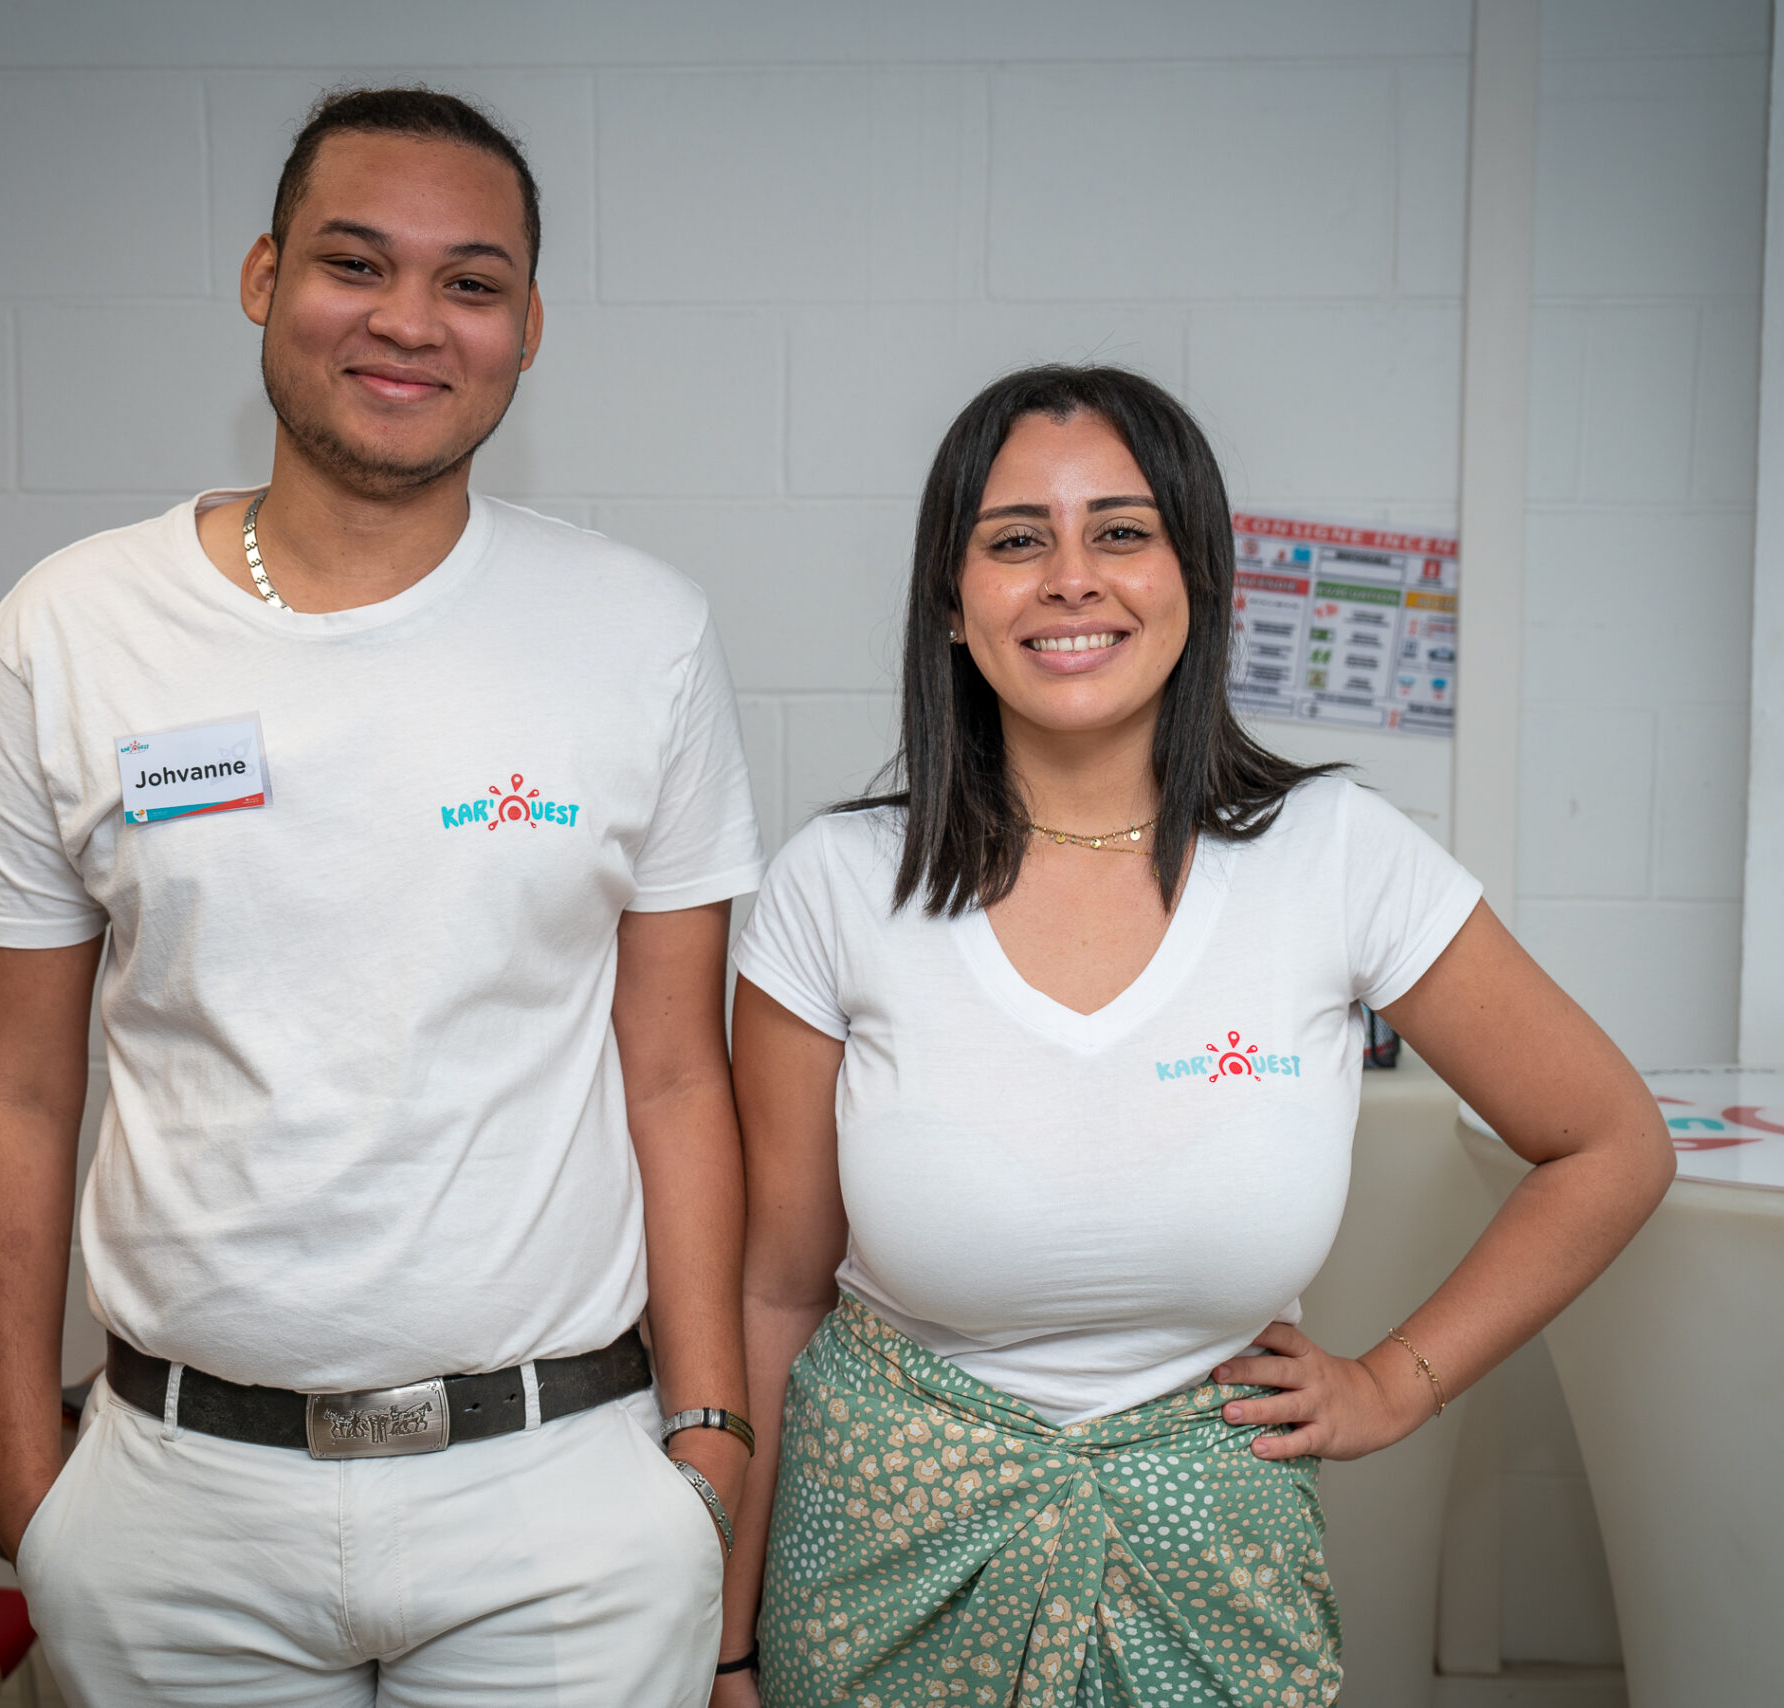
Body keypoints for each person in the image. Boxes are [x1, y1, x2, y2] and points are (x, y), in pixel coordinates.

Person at [0, 87, 761, 1706]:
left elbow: (674, 1071)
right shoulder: (74, 629)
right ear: (264, 277)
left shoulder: (641, 633)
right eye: (355, 263)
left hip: (562, 1504)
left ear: (529, 327)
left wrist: (710, 1436)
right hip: (175, 1510)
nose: (409, 320)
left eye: (471, 282)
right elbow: (10, 1088)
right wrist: (29, 1479)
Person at [714, 366, 1673, 1706]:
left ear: (1201, 578)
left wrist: (1397, 1384)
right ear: (951, 603)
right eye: (1015, 540)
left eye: (1122, 531)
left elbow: (1611, 1144)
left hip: (1215, 1570)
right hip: (877, 1566)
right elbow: (772, 1294)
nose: (1070, 578)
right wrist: (729, 1642)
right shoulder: (837, 884)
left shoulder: (1338, 856)